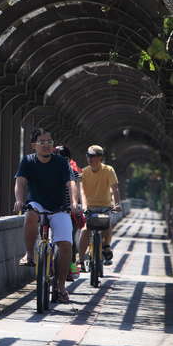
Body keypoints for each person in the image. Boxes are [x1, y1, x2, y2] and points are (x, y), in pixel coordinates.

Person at [14, 128, 79, 303]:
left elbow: (71, 183)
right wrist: (19, 200)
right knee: (29, 215)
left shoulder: (61, 162)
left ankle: (60, 287)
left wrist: (74, 202)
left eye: (49, 141)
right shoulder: (27, 161)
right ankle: (29, 254)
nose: (46, 145)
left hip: (59, 208)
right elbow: (20, 183)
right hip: (37, 204)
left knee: (66, 245)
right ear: (34, 145)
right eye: (42, 142)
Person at [78, 144, 121, 269]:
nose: (90, 158)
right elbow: (81, 191)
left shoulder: (108, 170)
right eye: (88, 156)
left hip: (105, 206)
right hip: (89, 207)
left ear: (100, 158)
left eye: (93, 156)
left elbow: (115, 188)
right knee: (85, 230)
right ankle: (80, 260)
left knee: (107, 223)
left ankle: (106, 246)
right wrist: (84, 206)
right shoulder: (84, 172)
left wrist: (117, 204)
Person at [54, 145, 85, 280]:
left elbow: (78, 188)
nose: (61, 160)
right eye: (58, 157)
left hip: (67, 210)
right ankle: (45, 264)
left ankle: (70, 269)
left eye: (64, 158)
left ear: (69, 159)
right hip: (50, 208)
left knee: (69, 240)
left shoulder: (73, 172)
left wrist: (77, 205)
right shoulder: (48, 169)